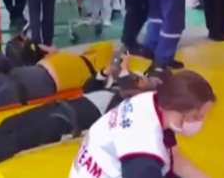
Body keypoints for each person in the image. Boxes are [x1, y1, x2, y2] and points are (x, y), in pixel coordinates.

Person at [0, 55, 163, 167]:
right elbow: (88, 87)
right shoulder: (120, 92)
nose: (142, 80)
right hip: (64, 106)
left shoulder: (138, 106)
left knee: (20, 138)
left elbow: (129, 106)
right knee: (10, 124)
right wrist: (105, 74)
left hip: (71, 120)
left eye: (147, 81)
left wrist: (126, 76)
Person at [69, 70, 215, 178]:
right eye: (196, 116)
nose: (199, 122)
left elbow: (176, 159)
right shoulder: (144, 150)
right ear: (176, 110)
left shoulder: (156, 102)